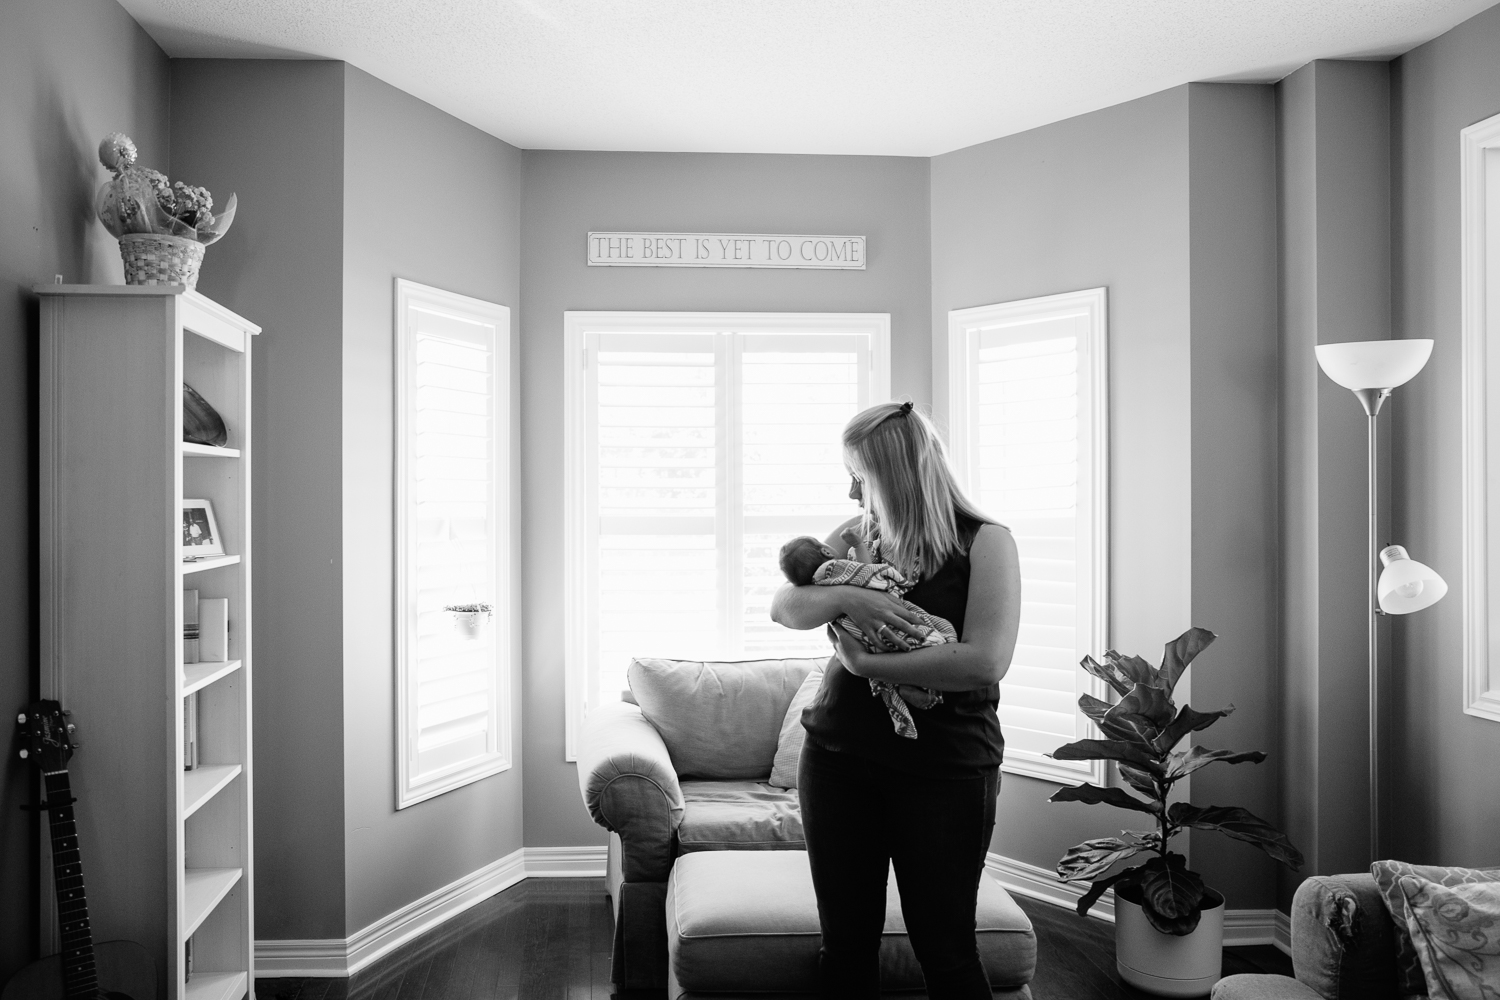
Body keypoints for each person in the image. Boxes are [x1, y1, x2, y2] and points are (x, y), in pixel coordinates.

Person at [770, 400, 1021, 999]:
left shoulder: (987, 542)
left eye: (859, 474)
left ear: (894, 473)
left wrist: (862, 661)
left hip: (947, 770)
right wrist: (850, 601)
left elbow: (985, 660)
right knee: (846, 946)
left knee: (947, 950)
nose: (851, 490)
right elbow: (784, 606)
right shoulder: (857, 537)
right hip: (837, 760)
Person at [776, 533, 950, 738]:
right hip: (838, 729)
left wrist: (861, 663)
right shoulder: (836, 568)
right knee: (930, 635)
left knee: (884, 653)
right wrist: (858, 547)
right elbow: (867, 573)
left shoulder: (815, 585)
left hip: (855, 635)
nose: (853, 498)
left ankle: (900, 686)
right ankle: (912, 684)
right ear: (826, 551)